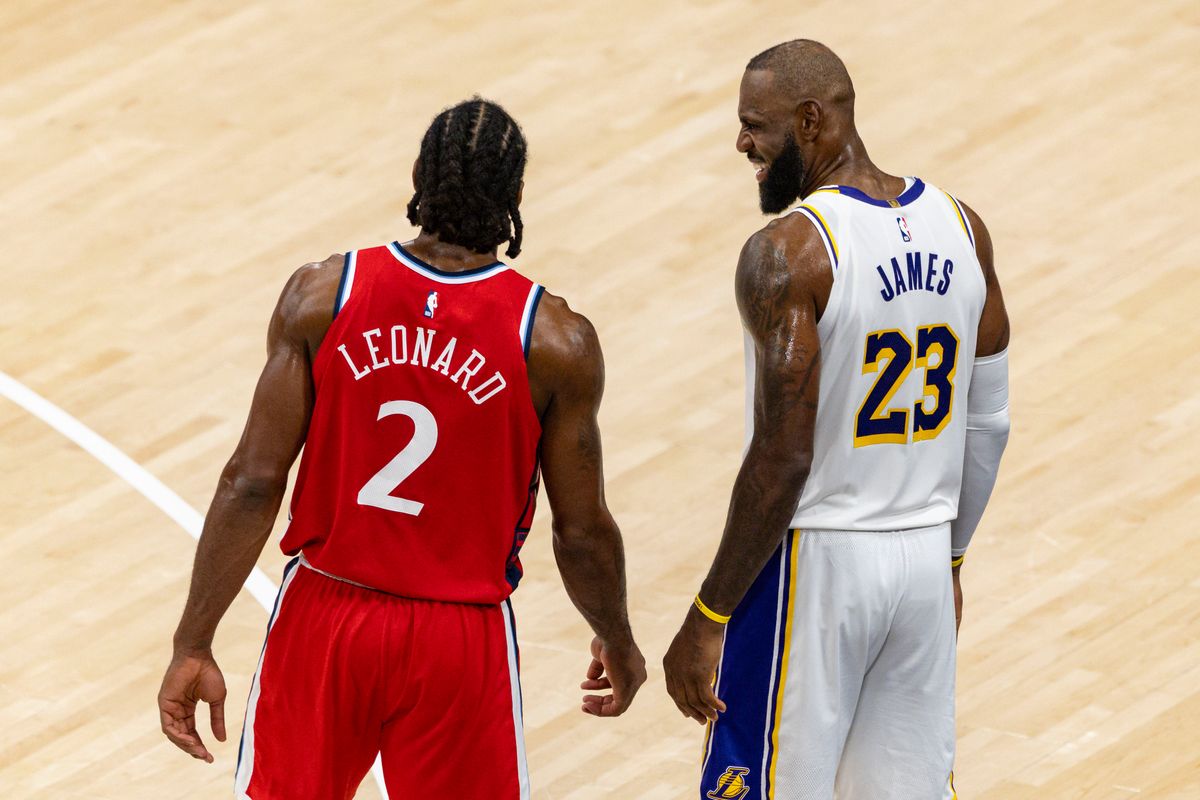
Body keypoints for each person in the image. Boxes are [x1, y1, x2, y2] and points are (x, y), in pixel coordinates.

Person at [157, 97, 646, 800]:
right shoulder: (555, 341)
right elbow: (581, 531)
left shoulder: (323, 294)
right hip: (459, 639)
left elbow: (252, 482)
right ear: (515, 194)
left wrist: (194, 641)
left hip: (323, 619)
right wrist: (616, 637)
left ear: (419, 175)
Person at [662, 40, 1010, 800]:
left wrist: (710, 611)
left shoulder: (789, 252)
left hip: (817, 564)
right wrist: (950, 559)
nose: (742, 143)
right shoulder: (963, 228)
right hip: (923, 561)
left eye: (755, 125)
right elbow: (989, 423)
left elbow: (783, 457)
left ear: (811, 120)